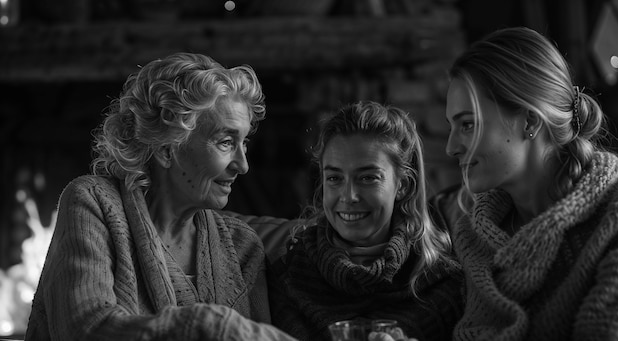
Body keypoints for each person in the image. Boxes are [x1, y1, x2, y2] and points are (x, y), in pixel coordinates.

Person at [25, 52, 295, 340]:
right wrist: (212, 325)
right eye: (226, 142)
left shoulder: (242, 246)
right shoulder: (94, 203)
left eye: (244, 144)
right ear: (168, 149)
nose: (243, 165)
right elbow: (84, 328)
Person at [445, 26, 618, 340]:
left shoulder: (617, 219)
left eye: (468, 124)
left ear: (529, 121)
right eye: (452, 126)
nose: (450, 147)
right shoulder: (472, 238)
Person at [269, 101, 464, 341]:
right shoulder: (288, 275)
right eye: (334, 178)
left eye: (368, 177)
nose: (349, 196)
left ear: (403, 185)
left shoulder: (443, 283)